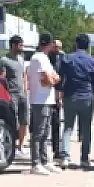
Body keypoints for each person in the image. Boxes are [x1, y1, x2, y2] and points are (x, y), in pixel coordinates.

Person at [57, 33, 94, 168]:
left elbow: (61, 78)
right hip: (86, 97)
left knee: (68, 127)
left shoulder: (67, 58)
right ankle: (84, 158)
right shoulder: (93, 61)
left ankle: (65, 156)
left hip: (70, 96)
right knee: (86, 129)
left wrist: (60, 94)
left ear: (76, 44)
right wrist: (92, 92)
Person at [27, 33, 62, 175]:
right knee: (38, 133)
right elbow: (48, 79)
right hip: (39, 100)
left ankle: (44, 160)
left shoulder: (45, 58)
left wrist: (52, 79)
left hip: (47, 99)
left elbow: (56, 77)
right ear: (49, 44)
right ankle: (35, 163)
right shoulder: (38, 58)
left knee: (46, 132)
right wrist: (52, 79)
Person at [0, 36, 30, 158]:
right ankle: (11, 146)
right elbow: (1, 78)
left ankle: (21, 146)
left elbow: (24, 74)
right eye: (20, 45)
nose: (22, 47)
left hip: (22, 95)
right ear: (13, 45)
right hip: (12, 94)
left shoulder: (21, 59)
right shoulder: (4, 60)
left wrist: (26, 89)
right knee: (13, 122)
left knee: (24, 121)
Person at [48, 39, 65, 166]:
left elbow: (63, 78)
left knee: (56, 122)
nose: (57, 49)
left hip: (57, 92)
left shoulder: (63, 58)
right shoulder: (47, 57)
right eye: (55, 47)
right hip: (46, 92)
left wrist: (60, 95)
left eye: (59, 47)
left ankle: (57, 150)